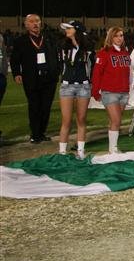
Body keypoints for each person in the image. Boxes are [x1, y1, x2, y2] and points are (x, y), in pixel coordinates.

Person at [9, 14, 60, 143]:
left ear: (41, 23)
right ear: (26, 25)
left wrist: (57, 71)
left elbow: (57, 56)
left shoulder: (49, 38)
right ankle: (35, 134)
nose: (35, 24)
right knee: (34, 106)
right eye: (31, 21)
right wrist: (16, 74)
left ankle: (42, 132)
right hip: (31, 78)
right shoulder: (21, 41)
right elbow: (14, 59)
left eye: (37, 21)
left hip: (49, 79)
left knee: (46, 106)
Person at [57, 20, 95, 159]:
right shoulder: (63, 46)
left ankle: (81, 152)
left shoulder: (88, 48)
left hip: (83, 86)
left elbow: (93, 68)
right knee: (66, 120)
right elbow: (61, 65)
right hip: (67, 85)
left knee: (81, 119)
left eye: (69, 28)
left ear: (77, 30)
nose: (66, 30)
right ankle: (62, 152)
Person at [91, 27, 131, 154]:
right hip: (110, 92)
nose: (120, 38)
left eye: (121, 35)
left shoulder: (125, 52)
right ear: (111, 37)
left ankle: (113, 147)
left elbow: (128, 73)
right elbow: (97, 73)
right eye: (117, 36)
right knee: (116, 120)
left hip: (124, 92)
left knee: (115, 122)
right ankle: (113, 149)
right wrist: (95, 91)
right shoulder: (103, 53)